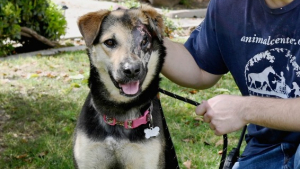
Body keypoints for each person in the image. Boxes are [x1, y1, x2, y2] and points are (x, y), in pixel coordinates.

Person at [161, 0, 300, 168]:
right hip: (266, 147)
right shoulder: (228, 5)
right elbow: (199, 68)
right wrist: (145, 33)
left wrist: (245, 109)